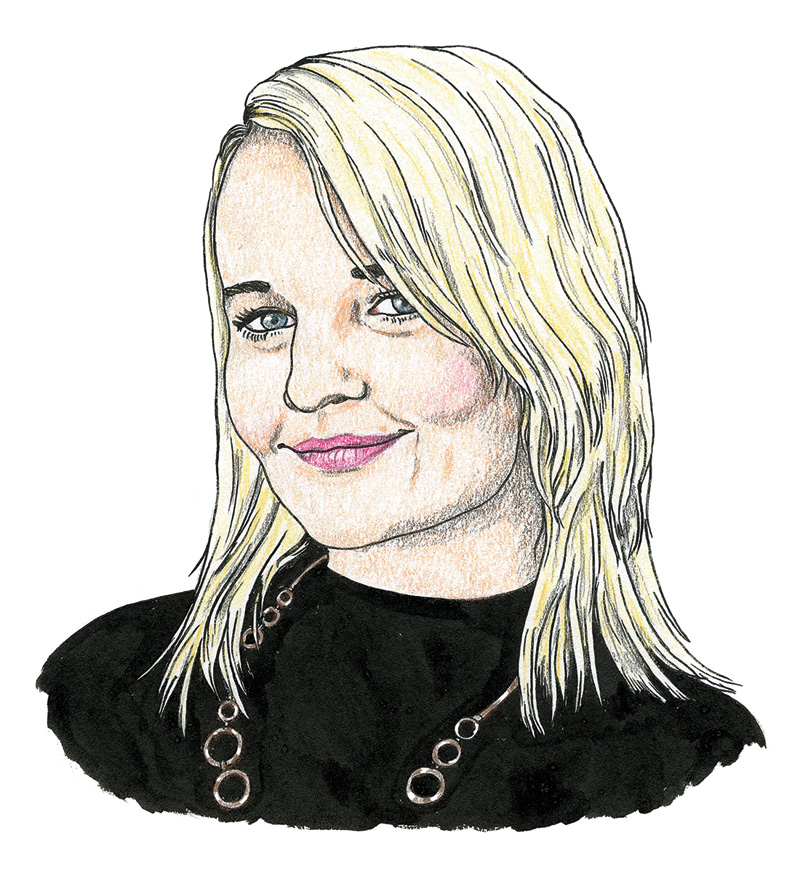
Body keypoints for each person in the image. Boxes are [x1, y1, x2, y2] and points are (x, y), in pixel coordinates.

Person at [38, 45, 764, 829]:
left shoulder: (688, 759)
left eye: (393, 305)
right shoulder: (110, 690)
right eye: (266, 320)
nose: (309, 385)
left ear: (546, 333)